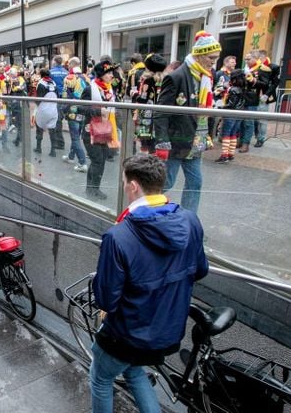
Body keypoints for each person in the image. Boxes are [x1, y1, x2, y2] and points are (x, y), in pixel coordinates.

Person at [90, 154, 208, 413]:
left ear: (133, 186)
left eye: (123, 181)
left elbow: (106, 300)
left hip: (126, 335)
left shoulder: (118, 236)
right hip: (166, 332)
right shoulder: (190, 221)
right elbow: (200, 270)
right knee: (134, 371)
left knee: (101, 378)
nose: (123, 186)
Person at [153, 31, 222, 214]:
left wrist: (208, 135)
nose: (214, 61)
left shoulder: (207, 76)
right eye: (211, 57)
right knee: (167, 182)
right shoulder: (176, 77)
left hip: (196, 140)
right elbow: (160, 112)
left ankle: (188, 221)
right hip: (177, 140)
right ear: (199, 55)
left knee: (195, 182)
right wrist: (162, 141)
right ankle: (144, 211)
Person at [81, 60, 119, 200]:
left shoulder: (109, 88)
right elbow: (79, 107)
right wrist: (97, 112)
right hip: (90, 131)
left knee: (99, 160)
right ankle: (93, 189)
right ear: (101, 74)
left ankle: (91, 188)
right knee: (98, 160)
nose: (111, 75)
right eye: (108, 73)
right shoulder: (90, 89)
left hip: (105, 129)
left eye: (111, 73)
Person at [215, 69, 246, 164]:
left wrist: (220, 107)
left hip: (231, 114)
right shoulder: (243, 89)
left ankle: (224, 156)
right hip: (239, 114)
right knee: (233, 134)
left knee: (226, 134)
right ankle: (231, 154)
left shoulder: (233, 90)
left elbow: (231, 104)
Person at [49, 55, 68, 153]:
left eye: (53, 60)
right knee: (59, 119)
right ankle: (59, 141)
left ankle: (59, 142)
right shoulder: (66, 72)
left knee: (56, 120)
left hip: (54, 98)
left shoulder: (51, 72)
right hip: (64, 98)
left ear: (55, 62)